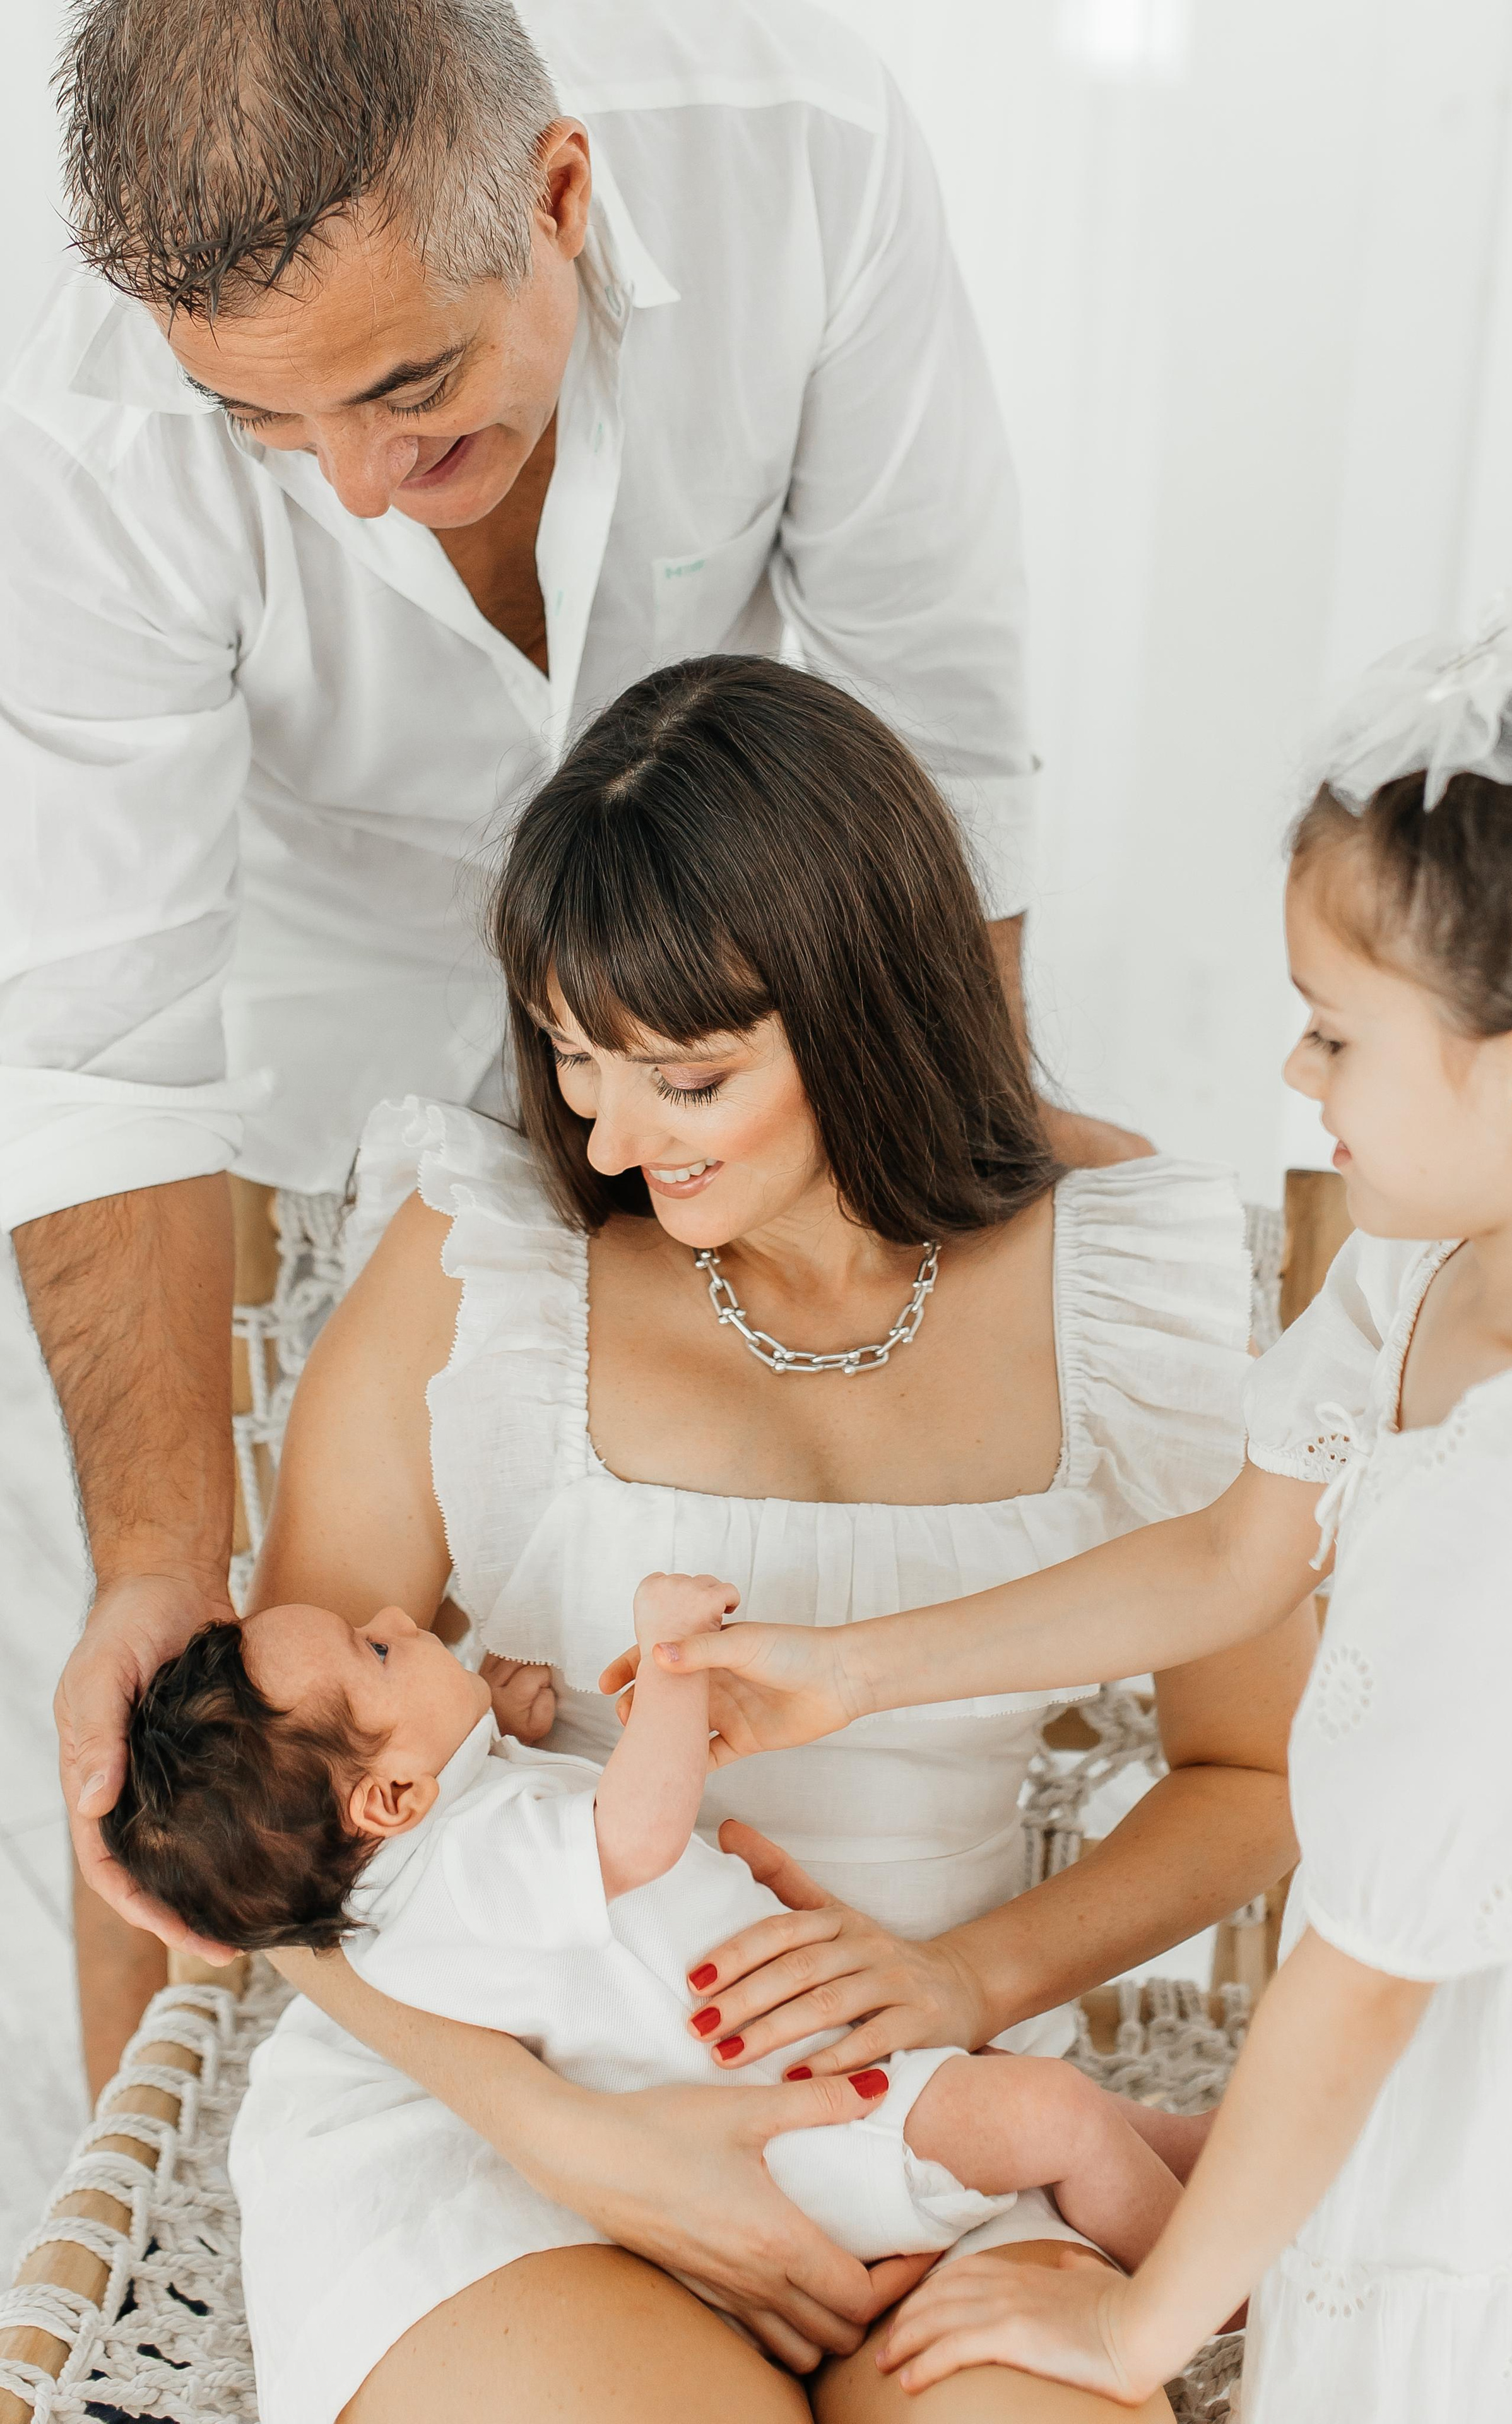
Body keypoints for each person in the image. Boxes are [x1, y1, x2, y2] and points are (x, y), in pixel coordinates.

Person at [0, 0, 1140, 2083]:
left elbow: (944, 756)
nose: (348, 491)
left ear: (560, 195)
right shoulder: (73, 414)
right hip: (283, 1007)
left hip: (690, 965)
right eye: (265, 431)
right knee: (158, 1734)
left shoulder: (802, 154)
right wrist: (157, 1570)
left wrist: (936, 1195)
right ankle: (133, 2328)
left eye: (410, 388)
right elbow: (105, 1042)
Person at [226, 655, 1316, 2416]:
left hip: (935, 2104)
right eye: (575, 1058)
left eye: (686, 1076)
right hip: (505, 2115)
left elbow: (1254, 1776)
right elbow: (273, 1832)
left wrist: (965, 1977)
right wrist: (572, 2137)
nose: (607, 1132)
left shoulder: (1124, 1280)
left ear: (866, 1004)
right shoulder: (482, 1255)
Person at [659, 608, 1512, 2417]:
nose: (1294, 1080)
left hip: (1490, 2066)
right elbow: (1232, 1556)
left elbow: (1362, 1974)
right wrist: (860, 1671)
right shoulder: (1430, 1277)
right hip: (1407, 2025)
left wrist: (1144, 2326)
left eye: (1335, 1039)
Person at [109, 1575, 1219, 2424]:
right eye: (381, 1650)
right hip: (800, 2121)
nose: (403, 1613)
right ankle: (1206, 2290)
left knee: (1065, 2118)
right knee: (1055, 2119)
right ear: (392, 1796)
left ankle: (1189, 2160)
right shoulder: (476, 1857)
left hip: (779, 2079)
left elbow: (517, 1902)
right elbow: (628, 1836)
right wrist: (673, 1661)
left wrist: (487, 1724)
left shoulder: (413, 1881)